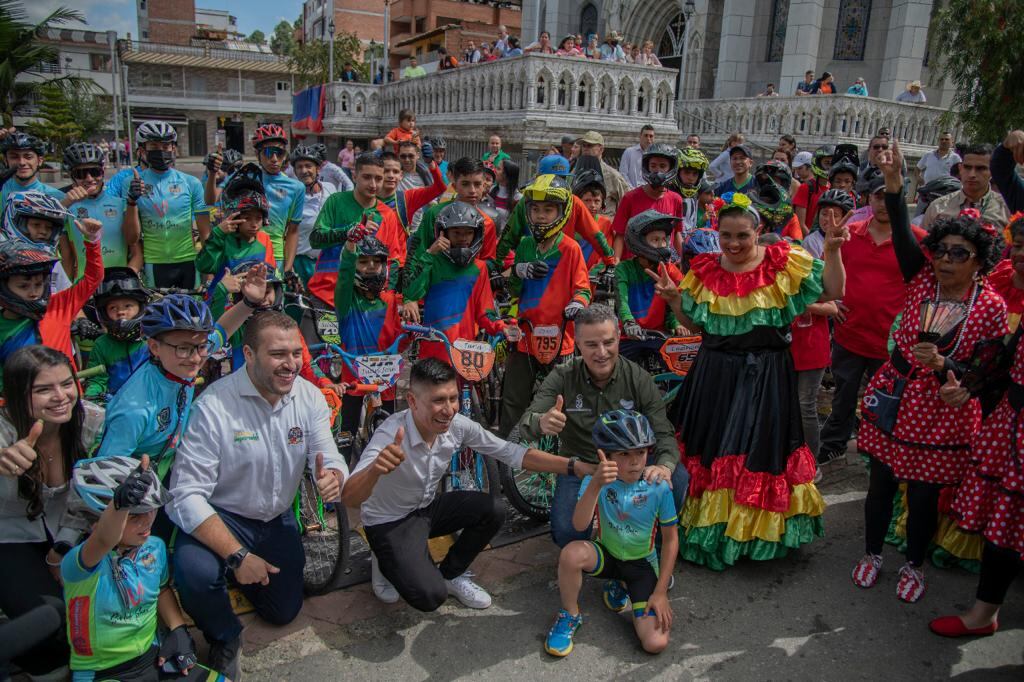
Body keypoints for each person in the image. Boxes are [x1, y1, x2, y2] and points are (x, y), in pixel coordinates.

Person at [650, 190, 845, 569]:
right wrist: (675, 300)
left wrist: (834, 250)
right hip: (714, 375)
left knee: (760, 450)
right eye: (727, 235)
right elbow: (698, 324)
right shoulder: (705, 268)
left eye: (743, 235)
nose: (734, 243)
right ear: (717, 233)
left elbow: (834, 292)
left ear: (758, 232)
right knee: (712, 449)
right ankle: (712, 529)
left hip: (768, 378)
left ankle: (755, 533)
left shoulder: (782, 264)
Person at [852, 141, 1006, 603]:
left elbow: (987, 372)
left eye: (959, 254)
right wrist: (896, 182)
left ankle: (914, 564)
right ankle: (872, 553)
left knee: (921, 496)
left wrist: (949, 371)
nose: (945, 260)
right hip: (894, 394)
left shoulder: (991, 308)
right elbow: (902, 229)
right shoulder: (921, 279)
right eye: (941, 251)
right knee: (879, 483)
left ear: (979, 260)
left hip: (941, 411)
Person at [169, 312, 347, 679]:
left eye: (296, 353)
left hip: (275, 519)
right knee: (195, 575)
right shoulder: (214, 405)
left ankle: (242, 574)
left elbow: (328, 454)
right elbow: (185, 495)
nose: (291, 364)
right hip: (224, 515)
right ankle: (224, 635)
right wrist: (237, 555)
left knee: (283, 611)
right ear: (248, 354)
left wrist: (334, 475)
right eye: (278, 354)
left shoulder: (309, 396)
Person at [344, 357, 592, 608]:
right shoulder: (390, 433)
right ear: (412, 401)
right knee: (430, 597)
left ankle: (451, 573)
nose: (449, 409)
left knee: (494, 509)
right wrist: (375, 470)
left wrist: (574, 467)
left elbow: (511, 453)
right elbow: (349, 497)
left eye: (452, 399)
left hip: (427, 509)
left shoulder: (456, 425)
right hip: (389, 521)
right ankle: (383, 559)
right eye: (438, 400)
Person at [930, 219, 1024, 635]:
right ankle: (983, 615)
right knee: (1005, 525)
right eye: (1018, 246)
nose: (1020, 255)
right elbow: (1003, 363)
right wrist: (965, 385)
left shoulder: (991, 304)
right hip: (1013, 424)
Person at [94, 270, 268, 483]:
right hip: (139, 487)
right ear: (154, 347)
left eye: (201, 347)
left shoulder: (177, 361)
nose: (196, 359)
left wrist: (249, 302)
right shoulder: (135, 409)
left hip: (170, 466)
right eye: (184, 349)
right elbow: (106, 475)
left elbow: (223, 330)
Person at [0, 345, 104, 680]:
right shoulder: (3, 433)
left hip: (69, 531)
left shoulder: (91, 421)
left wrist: (63, 546)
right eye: (44, 389)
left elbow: (91, 498)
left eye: (66, 383)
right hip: (9, 538)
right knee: (53, 615)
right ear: (18, 395)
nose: (61, 397)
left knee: (97, 614)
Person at [544, 410, 678, 657]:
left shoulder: (658, 486)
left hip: (641, 566)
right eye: (624, 454)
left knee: (655, 643)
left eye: (641, 452)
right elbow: (578, 524)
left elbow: (670, 540)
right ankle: (570, 614)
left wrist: (660, 593)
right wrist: (595, 484)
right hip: (607, 555)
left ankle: (624, 585)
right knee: (571, 554)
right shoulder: (597, 480)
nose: (635, 461)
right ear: (607, 455)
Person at [64, 455, 205, 680]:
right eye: (134, 516)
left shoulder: (154, 547)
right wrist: (119, 508)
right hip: (102, 672)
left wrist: (178, 629)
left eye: (151, 510)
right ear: (95, 520)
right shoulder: (79, 564)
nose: (148, 521)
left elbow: (161, 590)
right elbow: (103, 540)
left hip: (152, 657)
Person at [499, 175, 592, 438]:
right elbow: (514, 289)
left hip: (560, 334)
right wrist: (518, 270)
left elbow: (583, 288)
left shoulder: (571, 249)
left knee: (561, 398)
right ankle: (509, 448)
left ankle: (559, 449)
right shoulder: (526, 245)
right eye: (535, 209)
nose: (540, 216)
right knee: (513, 397)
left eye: (548, 210)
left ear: (561, 213)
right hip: (526, 334)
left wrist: (577, 303)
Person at [0, 212, 104, 380]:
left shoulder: (58, 306)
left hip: (68, 399)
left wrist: (92, 241)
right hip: (22, 403)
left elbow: (93, 279)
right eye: (23, 286)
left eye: (39, 284)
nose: (33, 292)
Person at [403, 201, 510, 364]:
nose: (463, 238)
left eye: (468, 233)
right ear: (443, 233)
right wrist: (430, 253)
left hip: (465, 352)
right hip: (433, 347)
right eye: (456, 233)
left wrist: (502, 327)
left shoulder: (479, 268)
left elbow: (485, 313)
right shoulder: (432, 262)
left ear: (477, 234)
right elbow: (412, 292)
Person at [307, 154, 406, 309]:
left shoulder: (388, 214)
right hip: (327, 295)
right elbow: (315, 239)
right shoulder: (336, 201)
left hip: (365, 301)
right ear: (354, 175)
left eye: (378, 179)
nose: (373, 184)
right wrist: (348, 232)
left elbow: (392, 260)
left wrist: (388, 295)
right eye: (367, 177)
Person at [493, 155, 616, 278]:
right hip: (532, 267)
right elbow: (507, 237)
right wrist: (496, 267)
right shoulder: (527, 201)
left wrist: (610, 263)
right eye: (536, 209)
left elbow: (595, 235)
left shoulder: (572, 202)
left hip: (559, 266)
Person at [133, 120, 210, 289]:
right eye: (153, 146)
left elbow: (205, 232)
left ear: (173, 148)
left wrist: (210, 271)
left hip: (188, 261)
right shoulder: (132, 184)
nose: (160, 151)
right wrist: (131, 201)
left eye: (166, 146)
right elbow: (132, 237)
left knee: (192, 314)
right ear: (142, 150)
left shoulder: (191, 183)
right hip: (154, 262)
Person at [615, 212, 687, 342]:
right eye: (655, 240)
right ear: (638, 241)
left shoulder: (669, 269)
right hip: (630, 336)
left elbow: (682, 297)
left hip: (661, 336)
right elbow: (622, 301)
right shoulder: (624, 269)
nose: (661, 244)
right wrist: (629, 322)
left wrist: (677, 323)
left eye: (664, 239)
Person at [82, 268, 151, 403]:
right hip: (115, 406)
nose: (121, 312)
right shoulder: (102, 344)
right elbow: (97, 380)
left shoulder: (153, 339)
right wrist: (94, 400)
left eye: (128, 305)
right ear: (103, 312)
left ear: (141, 307)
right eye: (113, 308)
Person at [611, 144, 683, 259]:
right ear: (647, 167)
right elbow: (619, 235)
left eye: (663, 166)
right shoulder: (630, 198)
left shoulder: (676, 200)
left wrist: (683, 261)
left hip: (662, 264)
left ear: (670, 168)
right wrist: (616, 263)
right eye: (653, 166)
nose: (657, 170)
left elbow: (677, 233)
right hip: (633, 265)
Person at [922, 143, 1010, 230]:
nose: (972, 174)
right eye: (967, 167)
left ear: (993, 171)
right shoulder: (938, 207)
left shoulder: (1006, 209)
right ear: (960, 169)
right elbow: (923, 241)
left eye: (980, 168)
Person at [290, 144, 337, 287]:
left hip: (328, 262)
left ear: (318, 168)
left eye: (308, 166)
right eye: (299, 167)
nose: (304, 171)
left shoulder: (330, 189)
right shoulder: (292, 197)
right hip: (302, 262)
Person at [577, 131, 631, 216]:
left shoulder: (612, 175)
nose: (585, 148)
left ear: (601, 149)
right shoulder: (575, 172)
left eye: (590, 145)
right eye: (584, 145)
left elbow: (628, 200)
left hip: (604, 224)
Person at [793, 146, 833, 234]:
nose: (830, 167)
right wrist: (813, 241)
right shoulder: (806, 187)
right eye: (827, 163)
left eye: (832, 163)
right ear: (818, 163)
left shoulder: (833, 189)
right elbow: (800, 223)